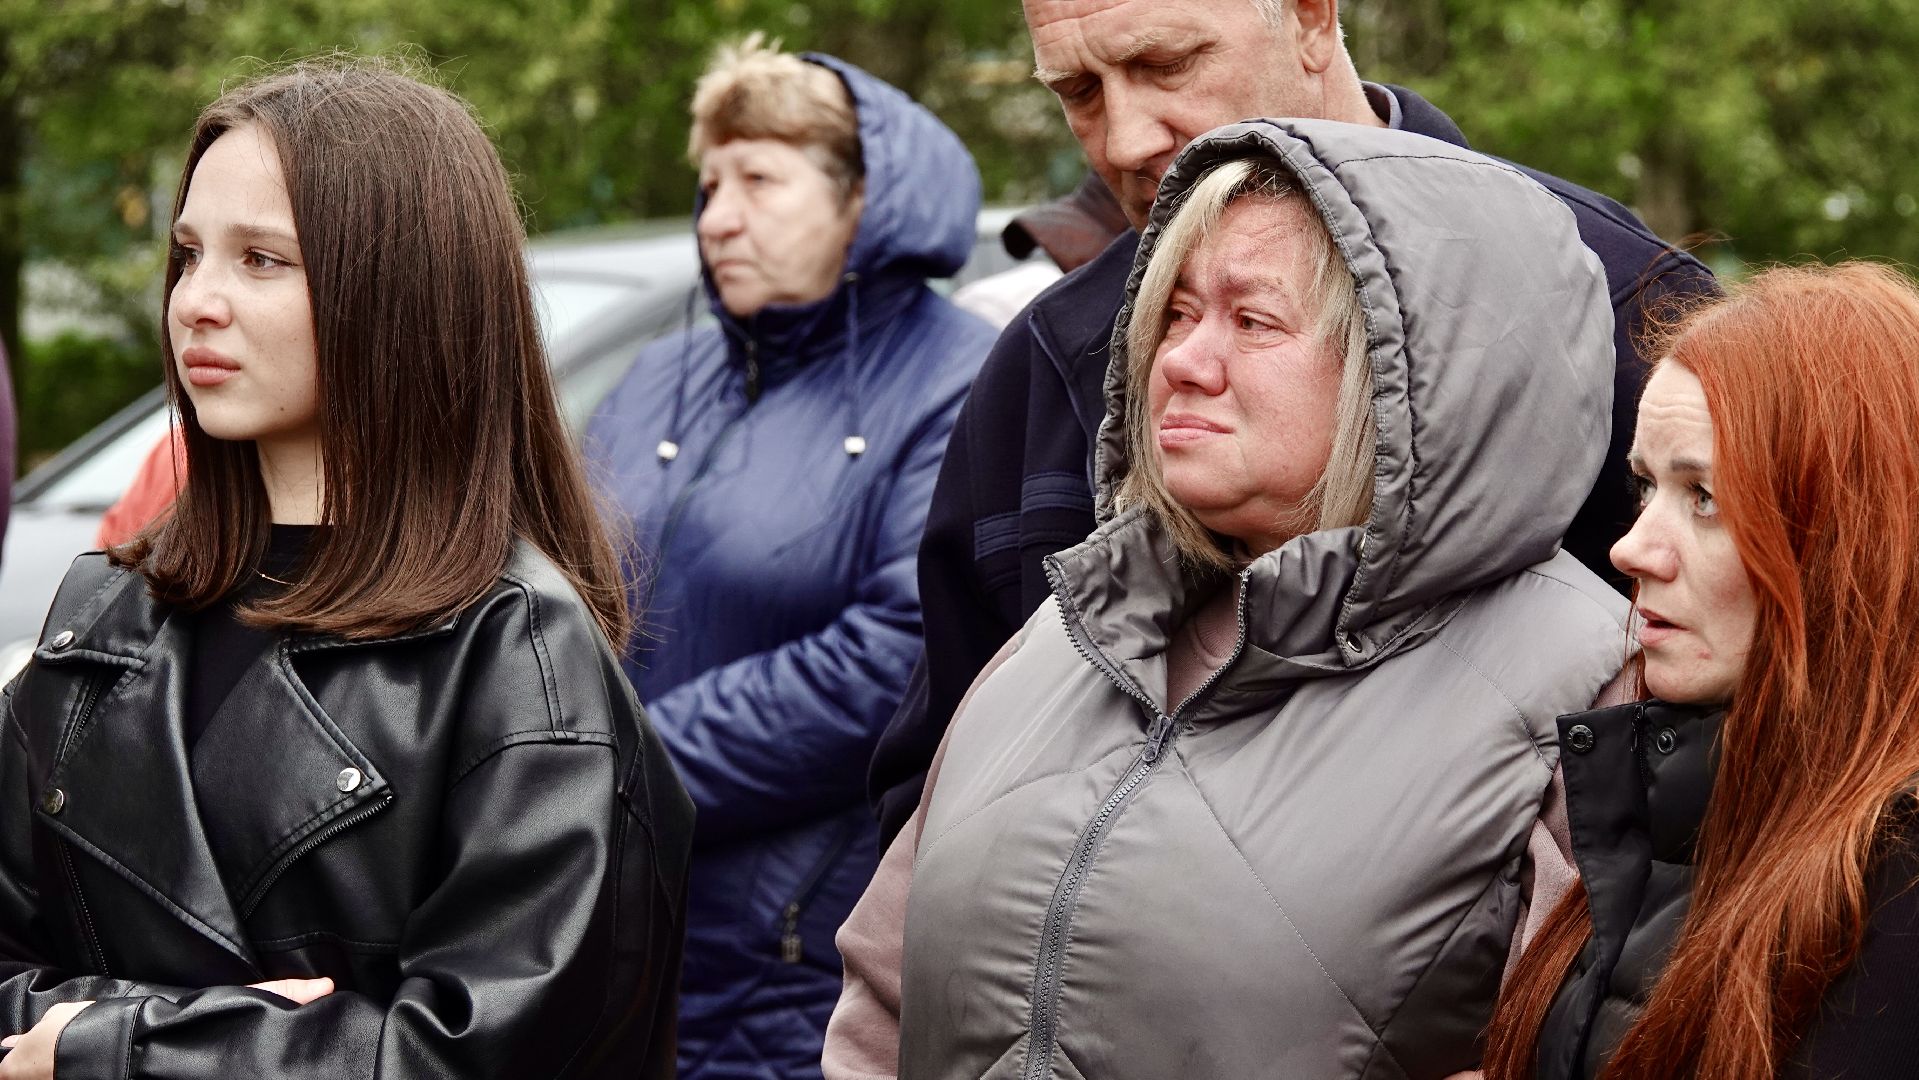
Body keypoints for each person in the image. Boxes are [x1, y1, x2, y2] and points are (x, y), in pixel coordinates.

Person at [825, 118, 1634, 1080]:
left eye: (1252, 322)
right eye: (1175, 315)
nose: (1182, 362)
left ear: (1414, 370)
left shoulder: (1591, 687)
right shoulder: (1072, 629)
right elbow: (881, 1002)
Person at [868, 0, 1719, 844]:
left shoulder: (1622, 306)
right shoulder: (1050, 359)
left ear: (1311, 19)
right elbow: (936, 791)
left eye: (1165, 64)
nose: (1122, 142)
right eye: (1078, 91)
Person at [0, 59, 692, 1080]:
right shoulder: (100, 616)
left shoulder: (519, 659)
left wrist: (121, 1044)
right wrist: (211, 1035)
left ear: (399, 291)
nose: (196, 301)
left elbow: (487, 1052)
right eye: (188, 254)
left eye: (261, 259)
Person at [583, 35, 995, 1080]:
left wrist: (617, 771)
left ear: (867, 200)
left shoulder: (961, 381)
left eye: (759, 180)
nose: (716, 218)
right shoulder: (661, 373)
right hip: (607, 923)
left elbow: (899, 655)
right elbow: (550, 584)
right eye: (710, 184)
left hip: (797, 954)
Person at [1480, 263, 1919, 1079]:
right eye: (1646, 485)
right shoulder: (1681, 796)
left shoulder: (1897, 877)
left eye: (1704, 496)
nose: (1630, 548)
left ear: (1851, 534)